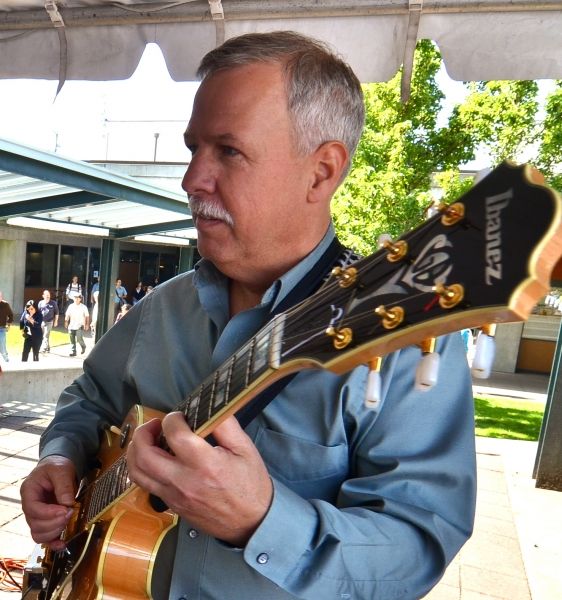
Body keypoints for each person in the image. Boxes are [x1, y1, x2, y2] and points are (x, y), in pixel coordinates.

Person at [20, 32, 476, 600]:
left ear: (322, 171)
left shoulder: (402, 336)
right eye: (193, 148)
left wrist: (261, 520)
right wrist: (61, 457)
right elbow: (89, 398)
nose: (191, 179)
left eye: (228, 151)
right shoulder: (163, 307)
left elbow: (419, 545)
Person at [0, 290, 14, 362]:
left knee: (2, 345)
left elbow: (11, 315)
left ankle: (6, 358)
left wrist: (9, 324)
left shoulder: (5, 304)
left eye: (0, 296)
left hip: (1, 328)